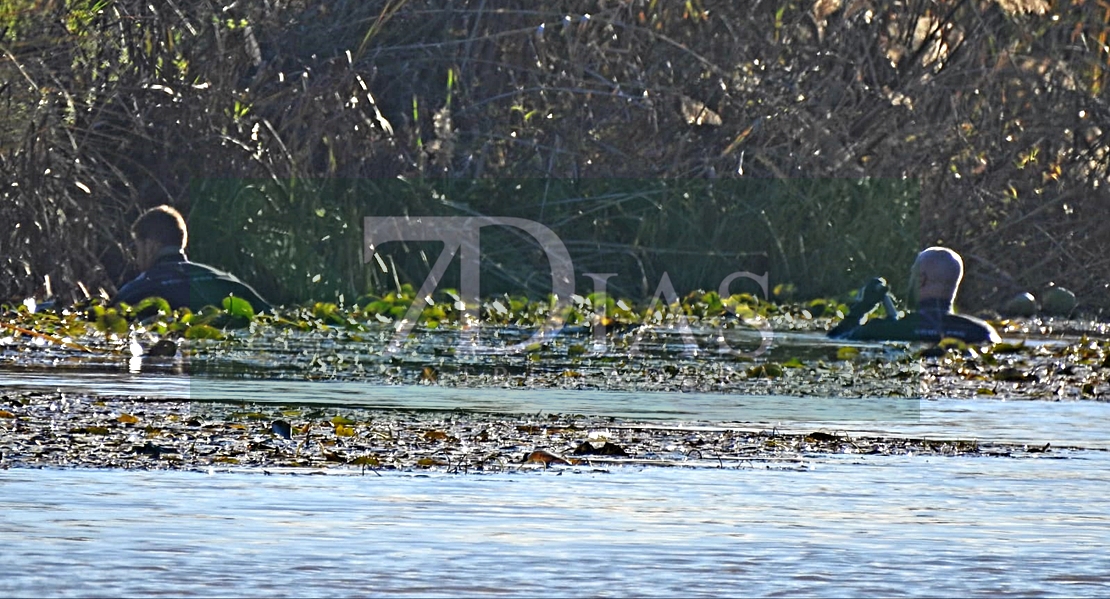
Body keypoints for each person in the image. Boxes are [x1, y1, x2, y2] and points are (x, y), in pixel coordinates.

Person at [113, 205, 271, 313]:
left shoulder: (135, 292)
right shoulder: (230, 282)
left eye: (137, 248)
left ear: (150, 246)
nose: (136, 258)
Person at [828, 246, 1000, 344]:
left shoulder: (883, 329)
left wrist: (862, 307)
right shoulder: (982, 332)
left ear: (921, 280)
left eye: (912, 276)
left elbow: (836, 339)